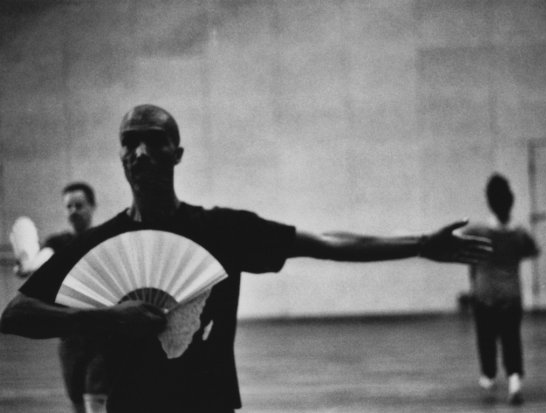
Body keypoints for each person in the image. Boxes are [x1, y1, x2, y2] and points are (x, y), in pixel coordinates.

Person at [0, 104, 492, 413]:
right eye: (130, 142)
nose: (141, 150)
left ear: (178, 152)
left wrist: (420, 243)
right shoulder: (101, 243)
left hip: (210, 405)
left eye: (155, 139)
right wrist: (107, 317)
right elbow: (15, 314)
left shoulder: (223, 230)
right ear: (121, 157)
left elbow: (329, 244)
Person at [16, 183, 109, 413]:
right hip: (70, 334)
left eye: (79, 205)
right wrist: (29, 265)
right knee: (77, 398)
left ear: (92, 206)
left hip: (102, 333)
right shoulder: (59, 242)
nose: (74, 210)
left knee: (96, 393)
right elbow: (44, 256)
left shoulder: (105, 238)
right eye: (69, 206)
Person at [462, 174, 539, 405]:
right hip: (511, 295)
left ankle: (489, 374)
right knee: (511, 339)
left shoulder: (477, 231)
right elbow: (532, 251)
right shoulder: (519, 233)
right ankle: (514, 381)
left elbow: (456, 244)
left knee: (486, 339)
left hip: (484, 294)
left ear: (489, 200)